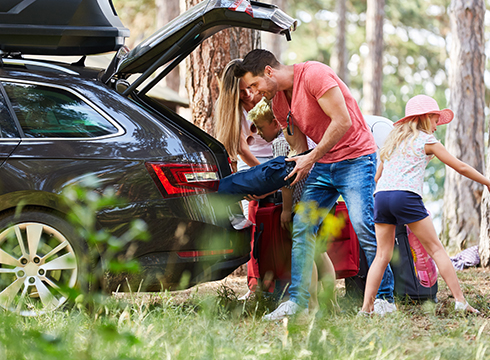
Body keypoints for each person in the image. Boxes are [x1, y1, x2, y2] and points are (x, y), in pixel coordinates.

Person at [234, 49, 395, 320]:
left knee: (364, 227)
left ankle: (384, 298)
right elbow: (297, 147)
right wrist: (269, 181)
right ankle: (298, 301)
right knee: (302, 226)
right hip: (323, 165)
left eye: (254, 84)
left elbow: (342, 121)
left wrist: (311, 158)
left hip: (356, 159)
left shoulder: (314, 75)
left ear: (269, 72)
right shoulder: (278, 104)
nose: (254, 93)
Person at [359, 95, 488, 315]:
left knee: (382, 256)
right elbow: (461, 168)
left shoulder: (393, 141)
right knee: (437, 249)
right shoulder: (426, 141)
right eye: (436, 120)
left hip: (381, 198)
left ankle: (365, 309)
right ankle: (460, 301)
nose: (437, 126)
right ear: (425, 118)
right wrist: (487, 182)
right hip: (405, 197)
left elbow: (378, 176)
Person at [247, 97, 337, 310]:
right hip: (324, 198)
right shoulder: (307, 135)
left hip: (301, 202)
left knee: (306, 251)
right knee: (320, 252)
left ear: (274, 122)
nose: (259, 133)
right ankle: (331, 301)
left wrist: (286, 210)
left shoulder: (281, 142)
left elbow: (286, 179)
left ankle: (313, 303)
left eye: (260, 127)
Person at [214, 59, 273, 300]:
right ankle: (255, 287)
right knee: (256, 227)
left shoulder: (266, 96)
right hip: (257, 169)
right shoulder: (231, 109)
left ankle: (280, 283)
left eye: (249, 87)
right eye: (241, 92)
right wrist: (264, 177)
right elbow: (242, 149)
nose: (248, 94)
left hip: (279, 162)